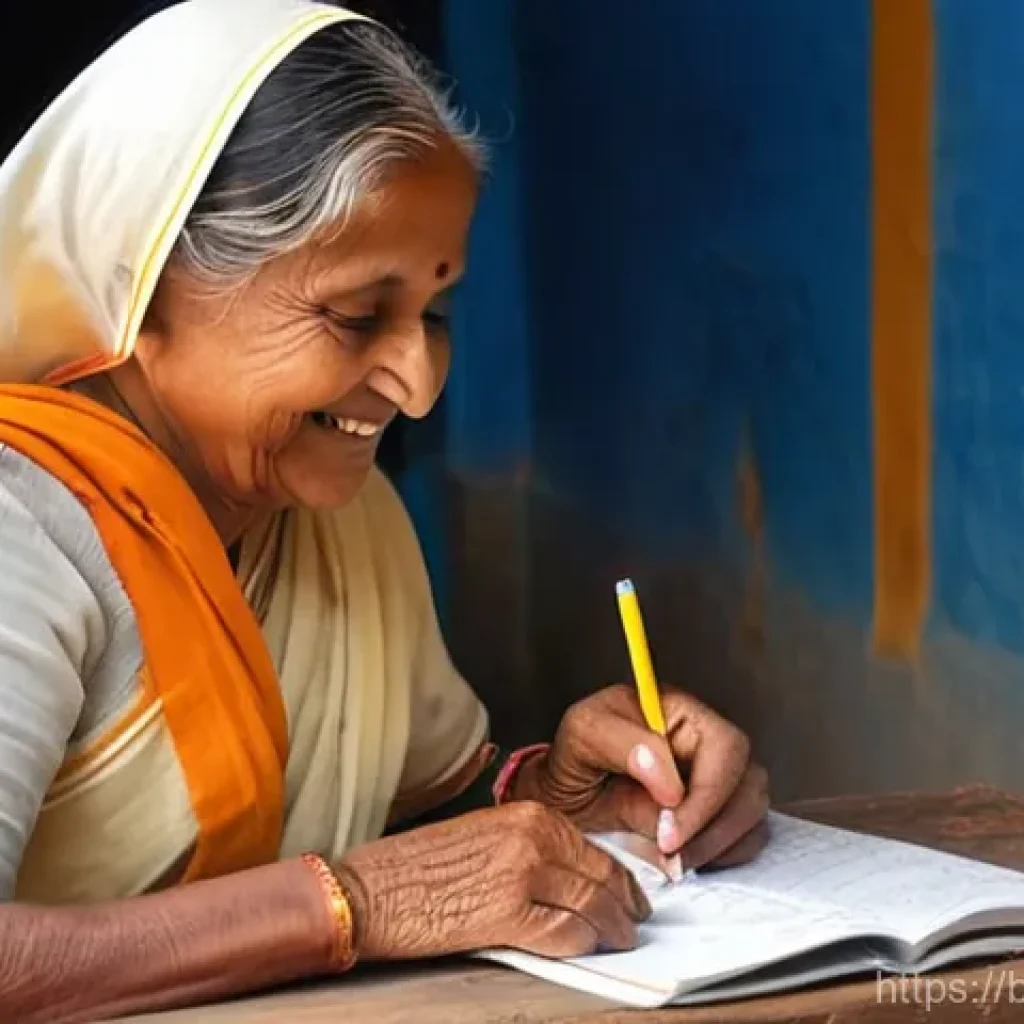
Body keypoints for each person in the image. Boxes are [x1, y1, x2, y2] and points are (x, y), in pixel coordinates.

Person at [0, 1, 770, 1020]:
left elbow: (417, 806)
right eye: (358, 315)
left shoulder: (344, 522)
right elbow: (384, 882)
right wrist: (356, 902)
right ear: (145, 296)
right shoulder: (28, 532)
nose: (416, 383)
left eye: (434, 314)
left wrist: (561, 798)